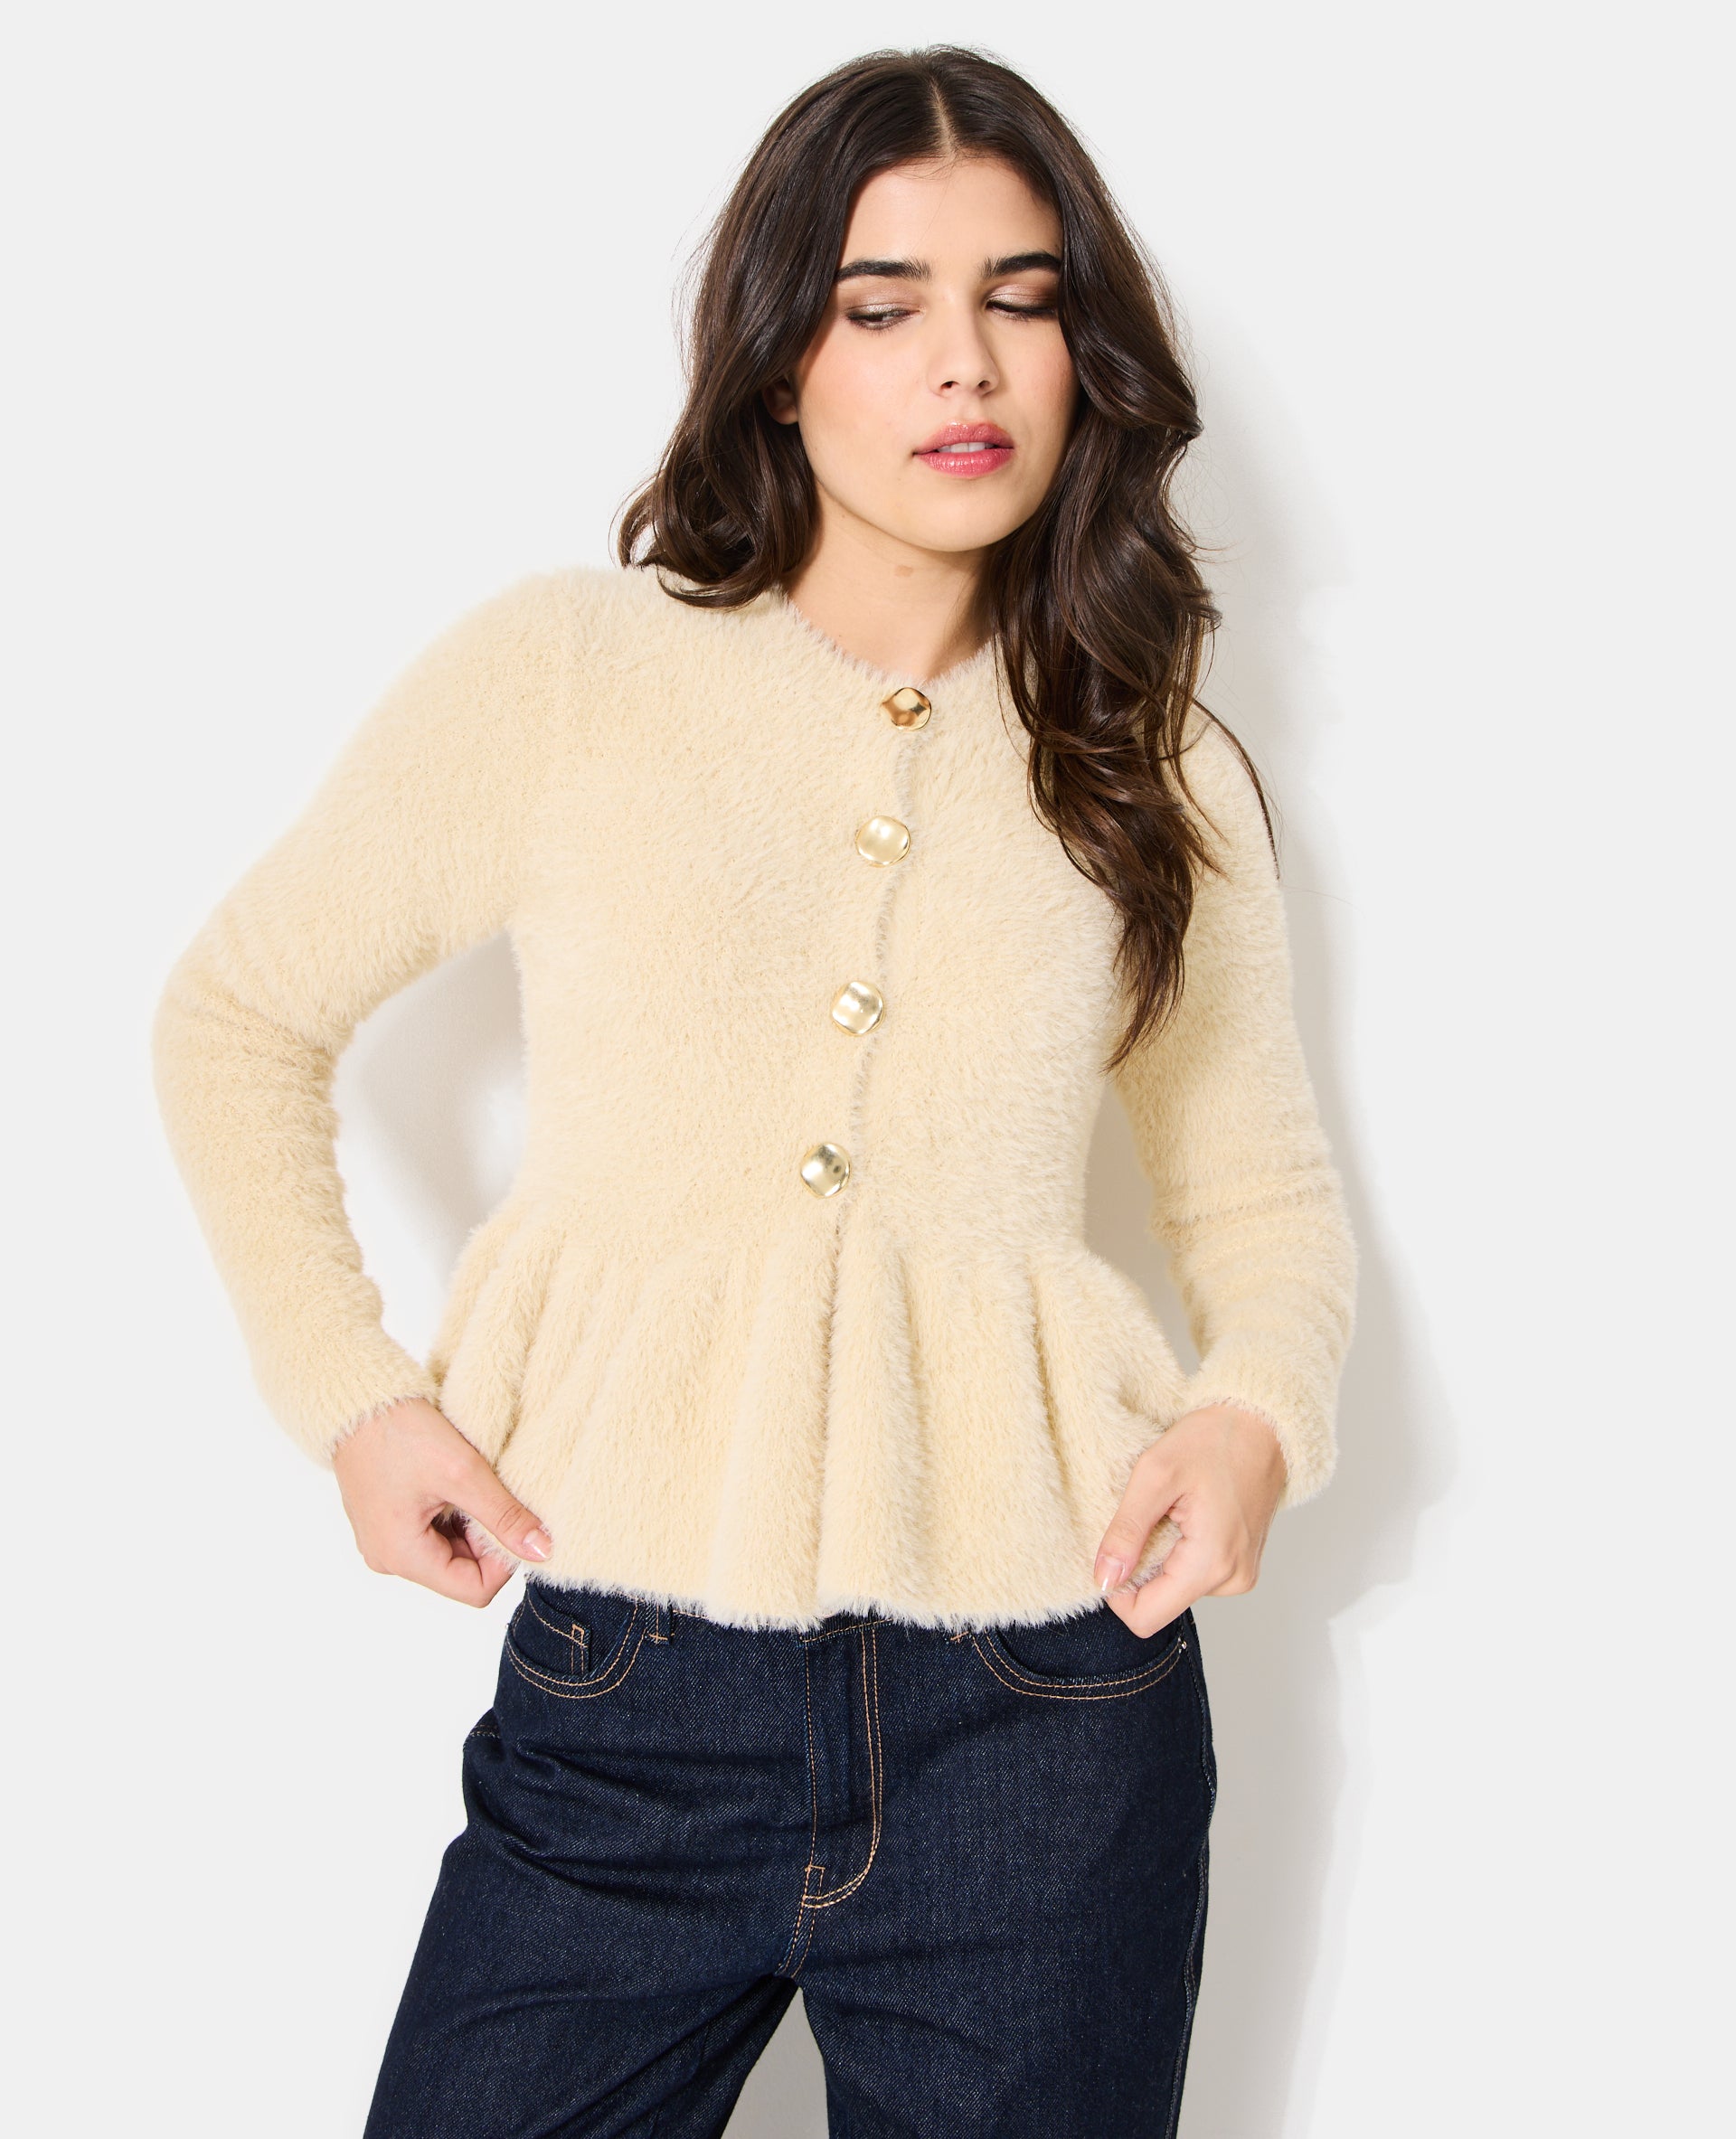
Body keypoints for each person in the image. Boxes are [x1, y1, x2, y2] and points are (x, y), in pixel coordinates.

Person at [153, 43, 1357, 2139]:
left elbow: (1259, 1193)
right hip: (625, 1687)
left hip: (1046, 1706)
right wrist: (354, 1394)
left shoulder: (1148, 756)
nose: (964, 362)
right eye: (886, 305)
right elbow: (238, 1015)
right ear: (781, 355)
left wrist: (1255, 1415)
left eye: (1023, 298)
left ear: (1084, 357)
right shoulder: (569, 673)